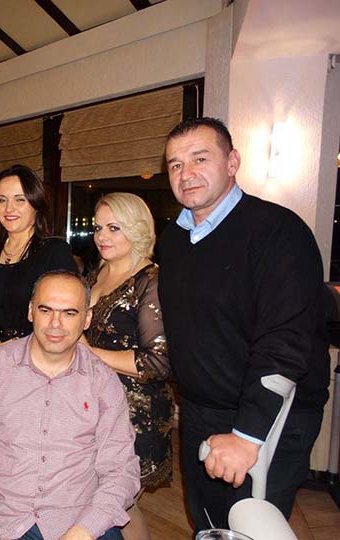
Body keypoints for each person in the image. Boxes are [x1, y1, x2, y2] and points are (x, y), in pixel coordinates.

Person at [158, 117, 330, 531]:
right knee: (208, 525)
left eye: (200, 158)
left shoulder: (279, 232)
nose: (186, 173)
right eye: (175, 164)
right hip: (200, 410)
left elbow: (285, 341)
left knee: (251, 528)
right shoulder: (173, 239)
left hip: (270, 415)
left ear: (232, 162)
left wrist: (246, 435)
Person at [0, 270, 140, 540]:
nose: (56, 324)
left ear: (87, 319)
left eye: (69, 313)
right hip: (4, 519)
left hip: (79, 519)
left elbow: (121, 469)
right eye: (46, 310)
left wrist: (85, 530)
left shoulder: (103, 381)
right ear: (30, 311)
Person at [82, 193, 172, 540]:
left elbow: (158, 361)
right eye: (98, 228)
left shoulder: (151, 280)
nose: (102, 236)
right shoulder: (99, 271)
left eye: (114, 228)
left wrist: (91, 353)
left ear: (137, 230)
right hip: (96, 406)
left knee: (120, 505)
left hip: (135, 414)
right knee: (109, 504)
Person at [0, 165, 77, 358]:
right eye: (2, 200)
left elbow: (66, 316)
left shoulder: (55, 252)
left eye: (20, 199)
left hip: (36, 358)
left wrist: (14, 346)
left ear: (36, 204)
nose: (9, 208)